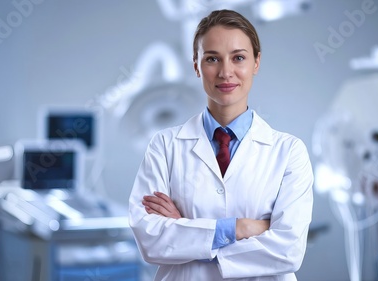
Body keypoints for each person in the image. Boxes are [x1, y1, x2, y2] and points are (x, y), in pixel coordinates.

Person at [129, 9, 313, 281]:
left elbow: (288, 250)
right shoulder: (164, 146)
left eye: (238, 58)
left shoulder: (289, 152)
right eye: (212, 58)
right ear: (196, 65)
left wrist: (186, 231)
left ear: (256, 63)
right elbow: (151, 239)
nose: (226, 72)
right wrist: (239, 228)